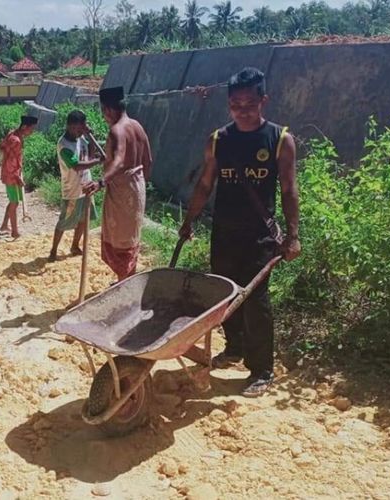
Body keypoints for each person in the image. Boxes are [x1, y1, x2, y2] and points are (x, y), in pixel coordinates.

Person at [177, 67, 301, 397]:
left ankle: (261, 369)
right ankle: (234, 348)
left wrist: (293, 235)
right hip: (224, 232)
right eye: (235, 103)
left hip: (260, 236)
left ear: (264, 100)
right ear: (228, 104)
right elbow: (205, 185)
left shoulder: (280, 140)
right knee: (225, 294)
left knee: (256, 301)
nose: (242, 109)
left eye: (249, 102)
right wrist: (189, 220)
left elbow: (289, 190)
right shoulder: (218, 140)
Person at [84, 86, 153, 282]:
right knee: (129, 238)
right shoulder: (137, 126)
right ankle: (127, 278)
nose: (104, 117)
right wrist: (138, 186)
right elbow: (148, 160)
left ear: (108, 109)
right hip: (136, 189)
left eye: (103, 112)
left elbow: (120, 161)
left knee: (120, 242)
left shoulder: (117, 130)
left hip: (122, 192)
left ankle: (125, 282)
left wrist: (100, 182)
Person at [48, 110, 102, 262]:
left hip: (86, 187)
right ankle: (53, 251)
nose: (80, 132)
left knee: (84, 220)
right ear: (70, 126)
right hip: (72, 190)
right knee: (64, 222)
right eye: (78, 129)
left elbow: (89, 155)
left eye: (82, 129)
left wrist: (90, 138)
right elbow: (77, 165)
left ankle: (74, 246)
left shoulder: (81, 139)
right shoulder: (63, 145)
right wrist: (99, 161)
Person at [0, 115, 38, 239]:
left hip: (10, 172)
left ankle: (5, 225)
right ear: (24, 127)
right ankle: (14, 231)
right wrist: (17, 177)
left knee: (12, 201)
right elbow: (11, 161)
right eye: (31, 129)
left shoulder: (13, 134)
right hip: (11, 175)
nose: (31, 132)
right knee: (14, 203)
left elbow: (2, 147)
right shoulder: (16, 140)